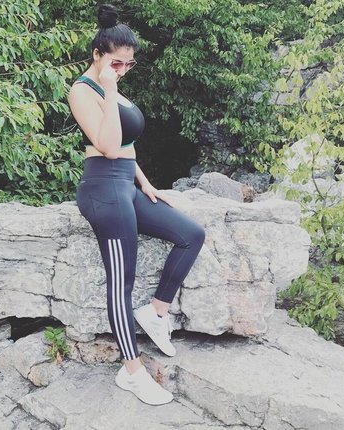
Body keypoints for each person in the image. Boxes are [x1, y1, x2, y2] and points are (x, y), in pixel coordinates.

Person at [68, 4, 205, 406]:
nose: (123, 70)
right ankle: (132, 373)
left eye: (129, 65)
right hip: (102, 190)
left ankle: (156, 313)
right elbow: (108, 146)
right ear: (97, 55)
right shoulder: (83, 91)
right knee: (121, 283)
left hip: (127, 186)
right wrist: (109, 89)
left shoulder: (113, 88)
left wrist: (144, 183)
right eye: (116, 63)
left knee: (191, 234)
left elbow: (127, 145)